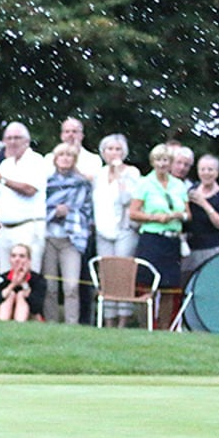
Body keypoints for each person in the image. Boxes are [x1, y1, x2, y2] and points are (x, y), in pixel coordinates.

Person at [128, 143, 190, 329]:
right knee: (147, 284)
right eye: (158, 160)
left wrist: (180, 215)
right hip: (152, 239)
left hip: (172, 240)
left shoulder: (178, 185)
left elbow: (188, 214)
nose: (162, 164)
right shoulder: (145, 184)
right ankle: (146, 325)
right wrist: (155, 217)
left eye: (165, 160)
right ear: (152, 162)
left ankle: (164, 328)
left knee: (169, 287)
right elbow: (133, 213)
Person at [91, 133, 141, 327]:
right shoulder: (99, 175)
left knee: (122, 274)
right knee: (106, 275)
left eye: (118, 149)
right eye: (110, 149)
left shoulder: (132, 173)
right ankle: (108, 320)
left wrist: (120, 177)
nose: (113, 153)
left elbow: (127, 200)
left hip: (124, 230)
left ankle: (123, 320)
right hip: (103, 230)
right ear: (103, 152)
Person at [0, 121, 49, 274]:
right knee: (6, 276)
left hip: (27, 226)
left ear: (26, 141)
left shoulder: (36, 160)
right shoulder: (6, 164)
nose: (12, 142)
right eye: (9, 138)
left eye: (17, 138)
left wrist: (1, 179)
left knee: (28, 276)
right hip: (4, 229)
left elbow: (30, 189)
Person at [42, 143, 93, 324]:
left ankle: (72, 324)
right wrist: (53, 212)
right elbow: (39, 208)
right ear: (55, 159)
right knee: (50, 286)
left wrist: (69, 212)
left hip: (72, 238)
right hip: (49, 237)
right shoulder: (46, 183)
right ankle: (51, 322)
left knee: (71, 286)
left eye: (69, 155)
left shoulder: (82, 184)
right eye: (61, 155)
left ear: (74, 160)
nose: (65, 158)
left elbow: (88, 211)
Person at [182, 154, 219, 281]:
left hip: (212, 248)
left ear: (217, 172)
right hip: (190, 248)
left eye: (210, 170)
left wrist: (204, 204)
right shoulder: (191, 190)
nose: (206, 173)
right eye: (202, 169)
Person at [0, 242, 44, 321]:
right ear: (10, 259)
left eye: (22, 256)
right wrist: (12, 285)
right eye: (13, 256)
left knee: (21, 295)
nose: (17, 259)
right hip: (4, 312)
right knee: (10, 294)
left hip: (31, 316)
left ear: (29, 260)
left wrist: (24, 284)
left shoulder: (38, 279)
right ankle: (3, 325)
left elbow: (36, 307)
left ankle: (19, 326)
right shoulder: (3, 277)